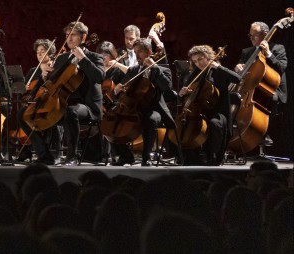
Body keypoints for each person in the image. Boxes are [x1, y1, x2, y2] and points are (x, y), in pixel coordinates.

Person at [108, 37, 174, 165]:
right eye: (135, 52)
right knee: (112, 118)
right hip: (133, 108)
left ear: (149, 52)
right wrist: (117, 90)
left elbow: (167, 88)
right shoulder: (133, 70)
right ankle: (126, 156)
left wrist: (155, 68)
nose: (137, 55)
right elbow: (121, 91)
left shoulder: (163, 69)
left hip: (154, 108)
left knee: (150, 119)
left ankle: (146, 158)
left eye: (140, 52)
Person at [51, 21, 104, 165]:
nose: (69, 39)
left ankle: (71, 156)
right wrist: (47, 75)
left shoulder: (94, 57)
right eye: (67, 35)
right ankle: (45, 154)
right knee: (33, 113)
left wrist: (83, 59)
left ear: (83, 37)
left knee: (70, 112)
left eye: (73, 35)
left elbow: (99, 77)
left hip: (88, 106)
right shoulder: (62, 58)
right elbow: (54, 84)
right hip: (65, 102)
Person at [179, 44, 238, 165]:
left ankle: (213, 157)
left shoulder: (218, 71)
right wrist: (182, 92)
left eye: (200, 59)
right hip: (198, 111)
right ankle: (188, 157)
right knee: (182, 124)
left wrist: (218, 67)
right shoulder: (196, 73)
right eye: (195, 61)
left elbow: (237, 79)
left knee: (214, 123)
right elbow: (187, 93)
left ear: (208, 57)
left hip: (218, 111)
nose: (198, 63)